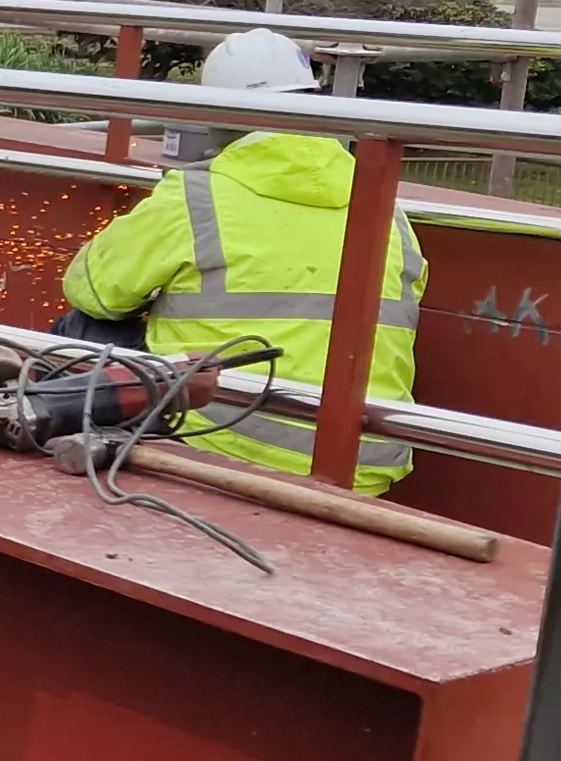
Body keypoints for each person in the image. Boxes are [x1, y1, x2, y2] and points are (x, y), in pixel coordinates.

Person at [59, 29, 428, 494]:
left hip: (221, 440)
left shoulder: (196, 196)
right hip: (364, 461)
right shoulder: (385, 205)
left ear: (218, 116)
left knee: (86, 326)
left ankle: (61, 459)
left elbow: (92, 290)